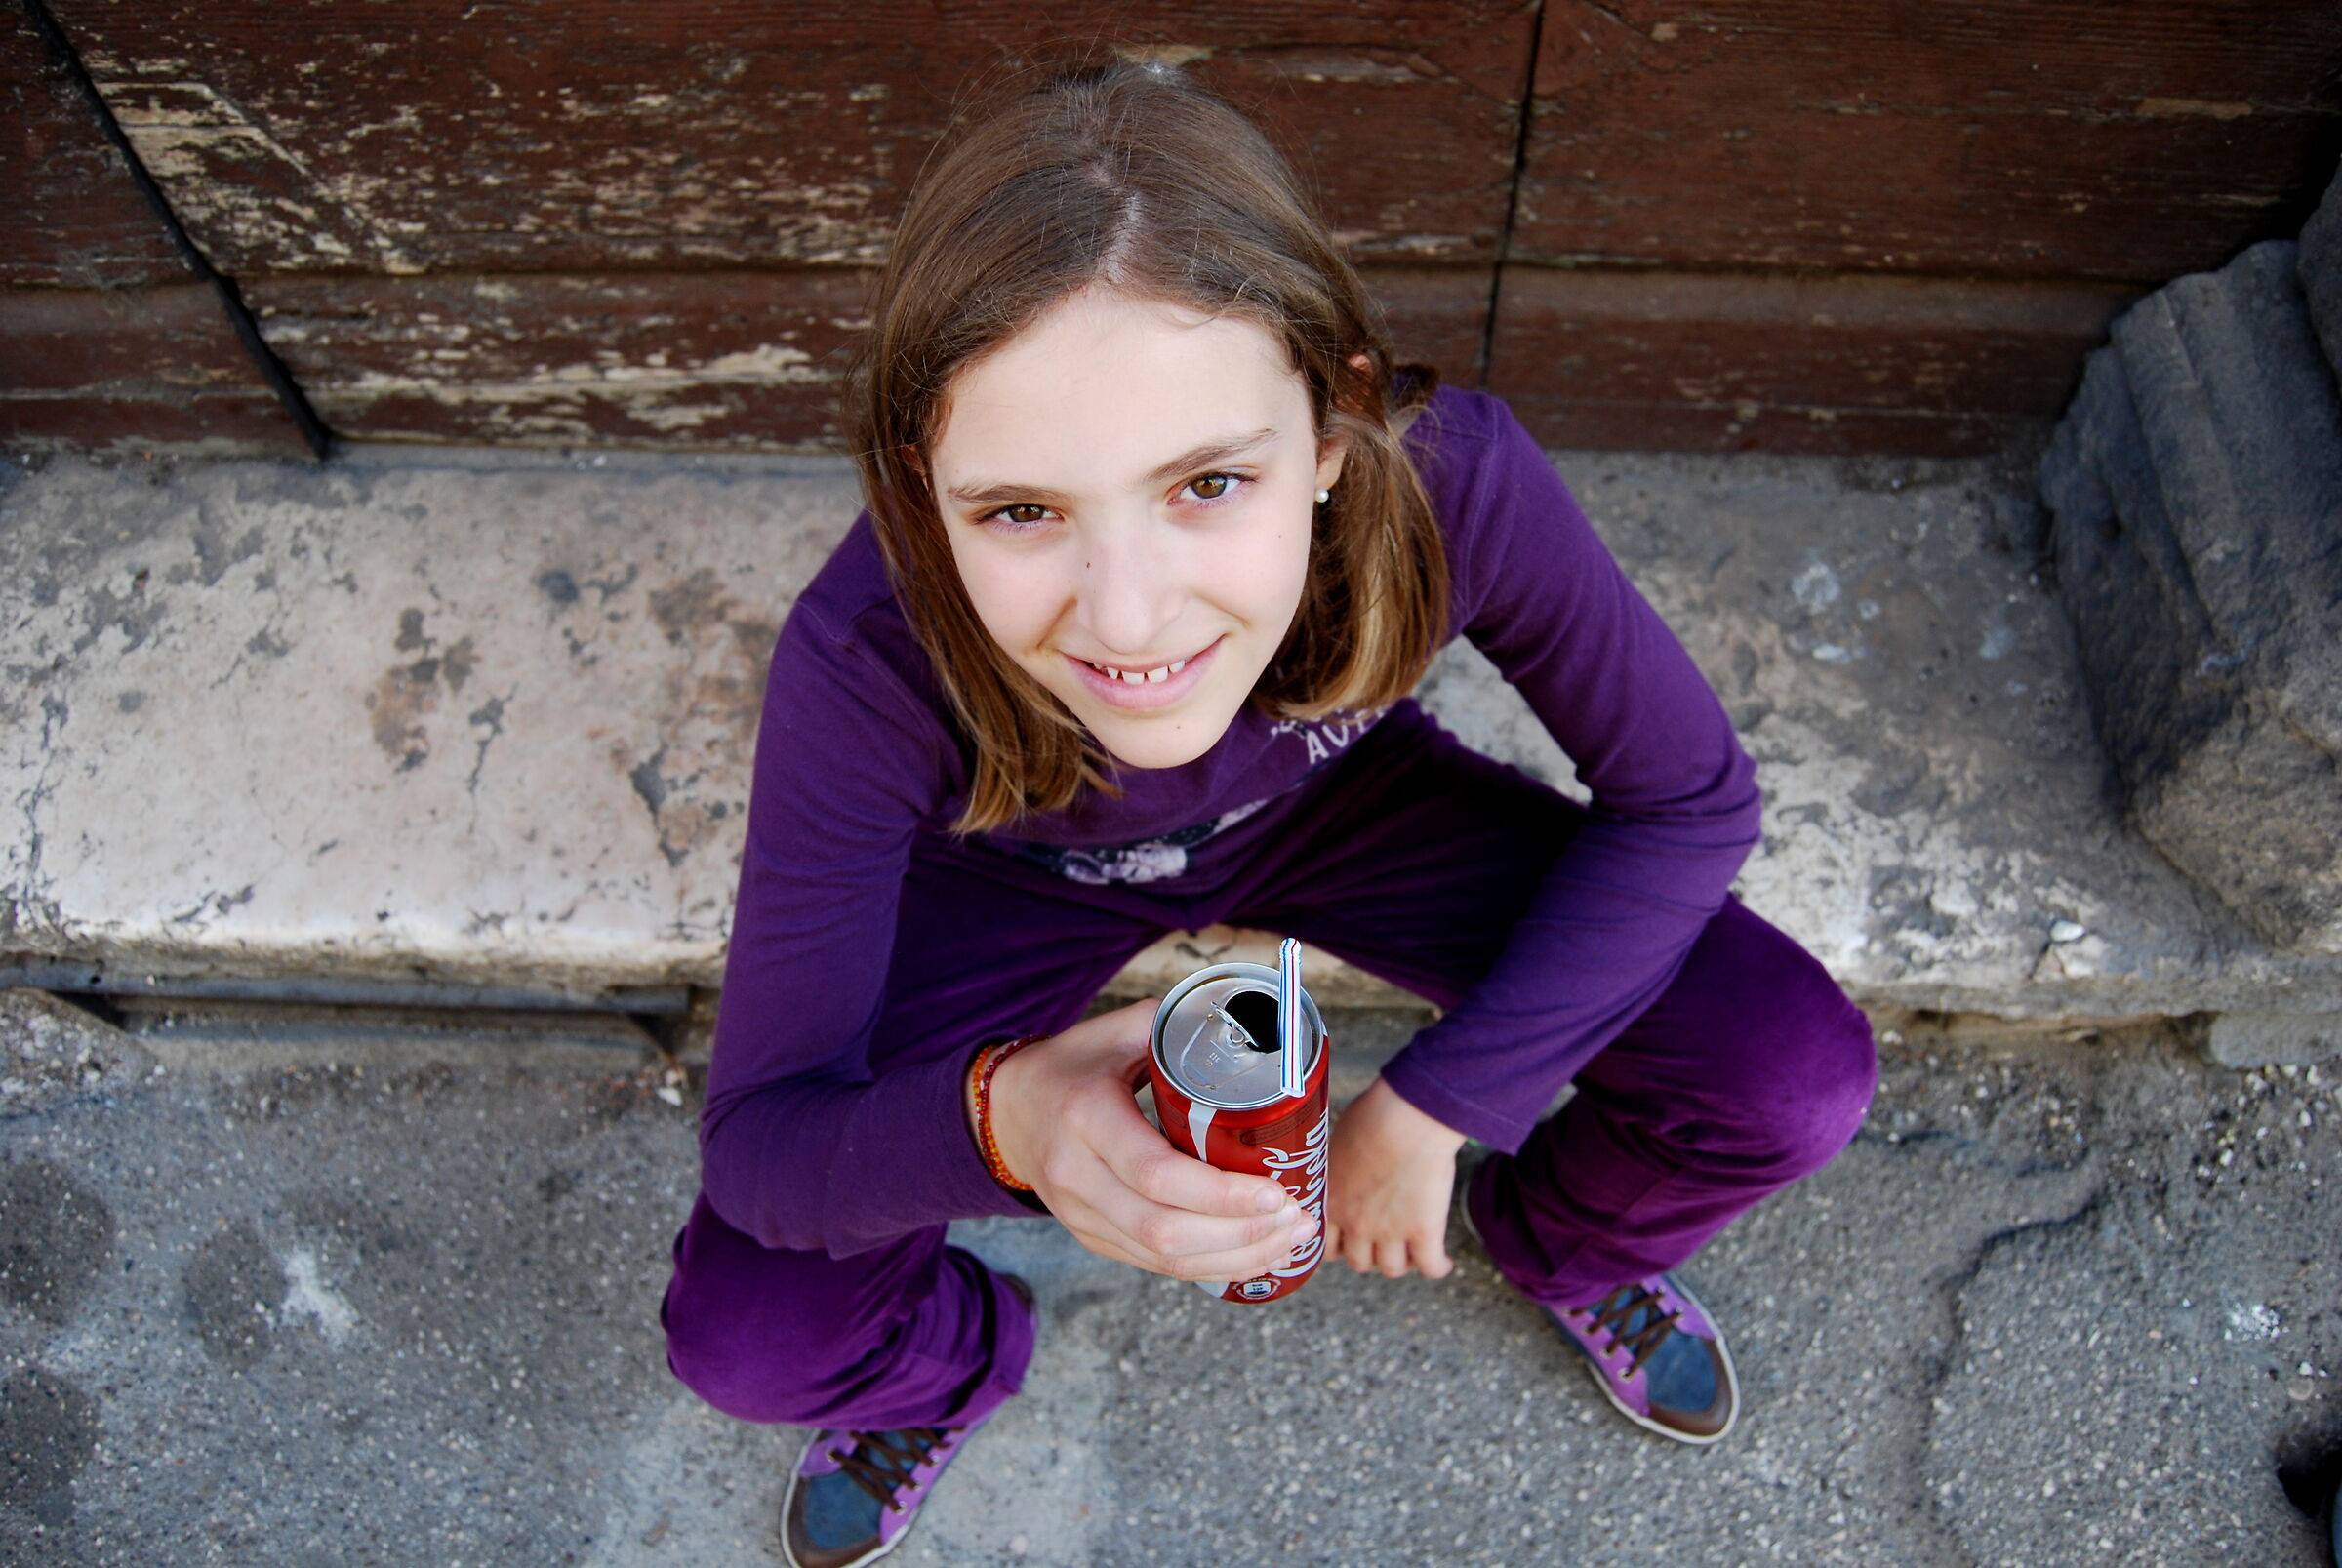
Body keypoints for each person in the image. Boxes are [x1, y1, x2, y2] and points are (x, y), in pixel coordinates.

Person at [660, 60, 1877, 1568]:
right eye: (1021, 510)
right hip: (1014, 870)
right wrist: (1005, 1116)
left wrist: (1447, 1105)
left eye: (1209, 484)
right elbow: (765, 1146)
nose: (1130, 616)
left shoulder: (1452, 484)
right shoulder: (867, 658)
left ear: (1334, 424)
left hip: (1334, 798)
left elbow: (1689, 802)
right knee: (753, 1342)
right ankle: (947, 1362)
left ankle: (1563, 1239)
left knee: (1786, 1070)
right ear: (925, 490)